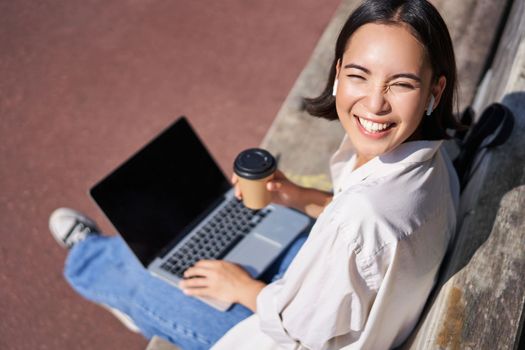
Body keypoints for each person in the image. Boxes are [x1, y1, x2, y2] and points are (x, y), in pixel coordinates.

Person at [49, 0, 462, 349]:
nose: (374, 103)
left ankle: (88, 255)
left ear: (434, 91)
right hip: (339, 300)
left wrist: (241, 288)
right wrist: (300, 196)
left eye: (400, 84)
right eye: (359, 75)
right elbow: (361, 240)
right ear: (338, 73)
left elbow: (299, 333)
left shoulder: (361, 219)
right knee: (224, 243)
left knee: (146, 278)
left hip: (286, 334)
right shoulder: (433, 159)